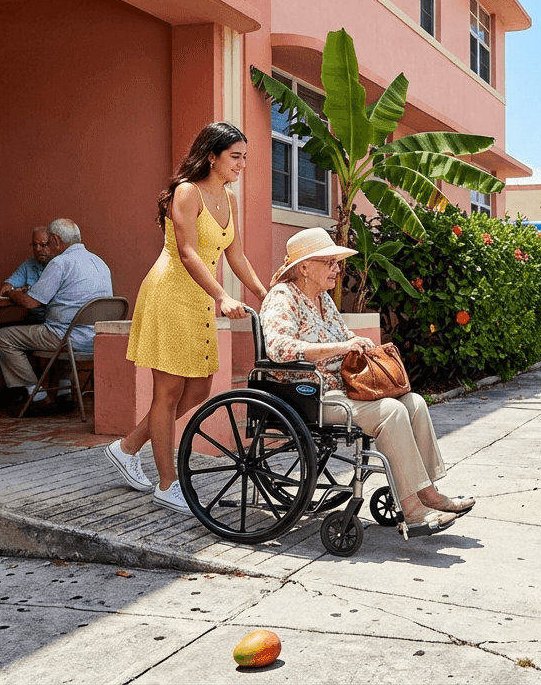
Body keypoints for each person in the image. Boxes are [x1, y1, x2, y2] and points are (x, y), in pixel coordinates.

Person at [260, 227, 475, 537]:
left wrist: (357, 343)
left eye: (337, 263)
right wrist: (340, 348)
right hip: (311, 393)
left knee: (413, 402)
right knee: (391, 411)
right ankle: (413, 510)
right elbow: (278, 348)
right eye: (330, 263)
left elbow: (344, 336)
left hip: (345, 388)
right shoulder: (283, 297)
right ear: (305, 266)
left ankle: (426, 491)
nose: (337, 269)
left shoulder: (322, 299)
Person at [108, 121, 270, 515]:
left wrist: (266, 295)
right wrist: (222, 296)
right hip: (170, 293)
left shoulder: (227, 199)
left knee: (197, 390)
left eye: (245, 157)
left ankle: (127, 447)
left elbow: (236, 256)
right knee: (166, 393)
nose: (242, 164)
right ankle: (167, 483)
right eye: (236, 157)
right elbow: (187, 253)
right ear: (211, 156)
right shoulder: (187, 192)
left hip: (198, 299)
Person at [0, 219, 113, 410]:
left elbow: (31, 303)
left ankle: (37, 395)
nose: (46, 248)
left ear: (56, 240)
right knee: (61, 326)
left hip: (66, 338)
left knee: (3, 337)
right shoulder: (99, 262)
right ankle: (64, 392)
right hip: (96, 339)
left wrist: (12, 293)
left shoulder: (60, 262)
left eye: (48, 243)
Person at [0, 225, 55, 324]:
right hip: (33, 321)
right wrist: (11, 290)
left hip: (55, 323)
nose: (38, 249)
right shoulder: (29, 265)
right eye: (34, 245)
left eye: (43, 245)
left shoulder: (60, 264)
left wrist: (11, 293)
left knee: (0, 333)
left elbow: (30, 303)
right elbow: (0, 290)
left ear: (52, 245)